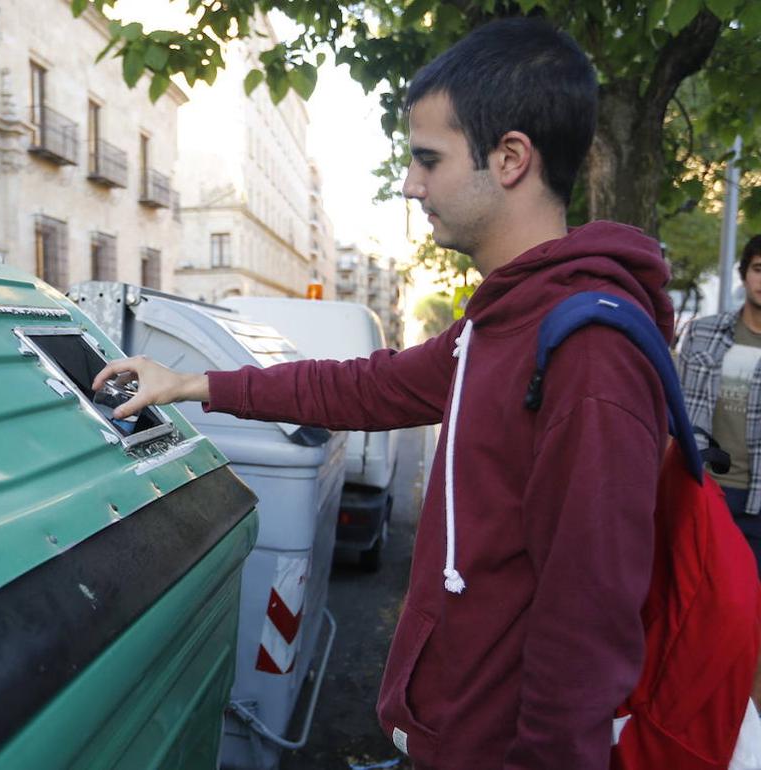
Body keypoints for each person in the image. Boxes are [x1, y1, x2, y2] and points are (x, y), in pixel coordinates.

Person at [93, 17, 672, 770]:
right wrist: (192, 381)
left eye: (428, 159)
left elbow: (588, 632)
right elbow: (368, 386)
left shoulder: (588, 352)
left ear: (510, 158)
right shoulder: (501, 321)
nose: (410, 183)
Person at [679, 233, 761, 572]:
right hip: (706, 490)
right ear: (744, 274)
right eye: (759, 268)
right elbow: (676, 411)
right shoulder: (703, 333)